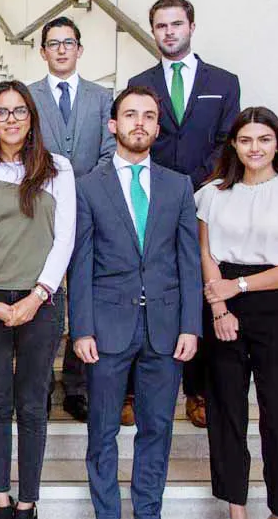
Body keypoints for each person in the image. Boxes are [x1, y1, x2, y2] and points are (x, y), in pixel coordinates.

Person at [68, 85, 201, 519]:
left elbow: (189, 262)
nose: (139, 123)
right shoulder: (88, 188)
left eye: (148, 116)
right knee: (102, 429)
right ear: (113, 125)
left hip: (166, 328)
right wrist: (81, 328)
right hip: (107, 327)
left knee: (157, 429)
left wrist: (190, 325)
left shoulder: (179, 186)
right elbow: (81, 263)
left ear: (158, 128)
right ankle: (107, 512)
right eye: (130, 115)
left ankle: (148, 511)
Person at [196, 107, 278, 519]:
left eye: (264, 139)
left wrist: (239, 287)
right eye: (246, 139)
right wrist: (220, 307)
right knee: (226, 411)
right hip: (221, 304)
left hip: (274, 306)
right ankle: (236, 507)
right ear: (234, 145)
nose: (255, 148)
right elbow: (206, 253)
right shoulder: (212, 194)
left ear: (277, 144)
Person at [0, 81, 75, 519]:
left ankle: (27, 501)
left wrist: (38, 295)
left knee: (32, 403)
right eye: (2, 112)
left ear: (32, 117)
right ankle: (1, 499)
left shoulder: (57, 169)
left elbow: (64, 238)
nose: (11, 119)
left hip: (41, 302)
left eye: (19, 111)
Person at [127, 0, 240, 429]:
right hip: (150, 201)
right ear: (153, 31)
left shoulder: (223, 82)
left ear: (191, 26)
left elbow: (227, 142)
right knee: (147, 283)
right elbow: (138, 136)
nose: (169, 32)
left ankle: (197, 392)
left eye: (176, 24)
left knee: (198, 288)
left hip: (204, 199)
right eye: (161, 25)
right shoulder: (140, 81)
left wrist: (189, 183)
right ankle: (134, 389)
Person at [26, 16, 115, 424]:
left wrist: (81, 193)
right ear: (42, 51)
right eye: (53, 43)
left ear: (79, 50)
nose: (61, 49)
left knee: (84, 293)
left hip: (90, 209)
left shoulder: (102, 97)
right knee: (44, 293)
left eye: (68, 43)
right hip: (40, 210)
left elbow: (110, 151)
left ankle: (77, 385)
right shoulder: (28, 96)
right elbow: (24, 149)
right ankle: (41, 382)